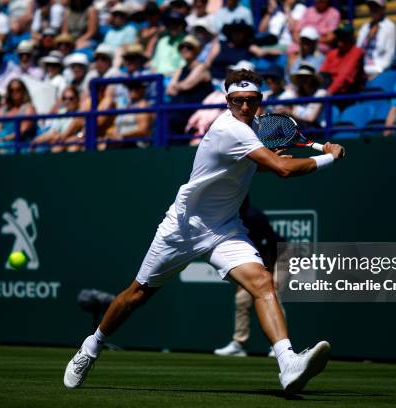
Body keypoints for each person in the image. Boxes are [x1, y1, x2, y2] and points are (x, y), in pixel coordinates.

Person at [63, 68, 346, 394]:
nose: (243, 106)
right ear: (227, 102)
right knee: (137, 294)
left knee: (262, 282)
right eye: (237, 100)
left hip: (224, 229)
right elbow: (282, 169)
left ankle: (288, 365)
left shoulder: (253, 129)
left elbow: (255, 167)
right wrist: (328, 158)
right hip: (183, 228)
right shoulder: (230, 130)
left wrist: (268, 160)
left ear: (259, 101)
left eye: (250, 100)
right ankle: (91, 348)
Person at [214, 196, 284, 357]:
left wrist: (270, 274)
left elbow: (270, 247)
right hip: (257, 257)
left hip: (280, 255)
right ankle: (239, 344)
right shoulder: (228, 217)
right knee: (242, 299)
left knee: (272, 294)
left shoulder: (254, 217)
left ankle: (279, 346)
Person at [167, 35, 213, 134]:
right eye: (182, 47)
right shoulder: (181, 69)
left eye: (189, 47)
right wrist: (179, 86)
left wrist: (177, 86)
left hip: (195, 109)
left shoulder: (202, 67)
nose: (184, 49)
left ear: (196, 51)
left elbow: (186, 85)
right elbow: (169, 90)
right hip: (181, 109)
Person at [320, 24, 366, 97]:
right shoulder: (332, 53)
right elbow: (322, 74)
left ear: (350, 38)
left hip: (349, 95)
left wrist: (329, 92)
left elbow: (344, 77)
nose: (340, 39)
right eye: (339, 36)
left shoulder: (356, 52)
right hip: (329, 94)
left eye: (343, 36)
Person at [356, 0, 396, 78]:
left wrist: (377, 70)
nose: (373, 9)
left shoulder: (390, 27)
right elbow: (358, 51)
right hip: (362, 69)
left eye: (376, 7)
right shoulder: (365, 28)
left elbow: (390, 56)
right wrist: (368, 38)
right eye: (371, 7)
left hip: (379, 70)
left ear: (383, 8)